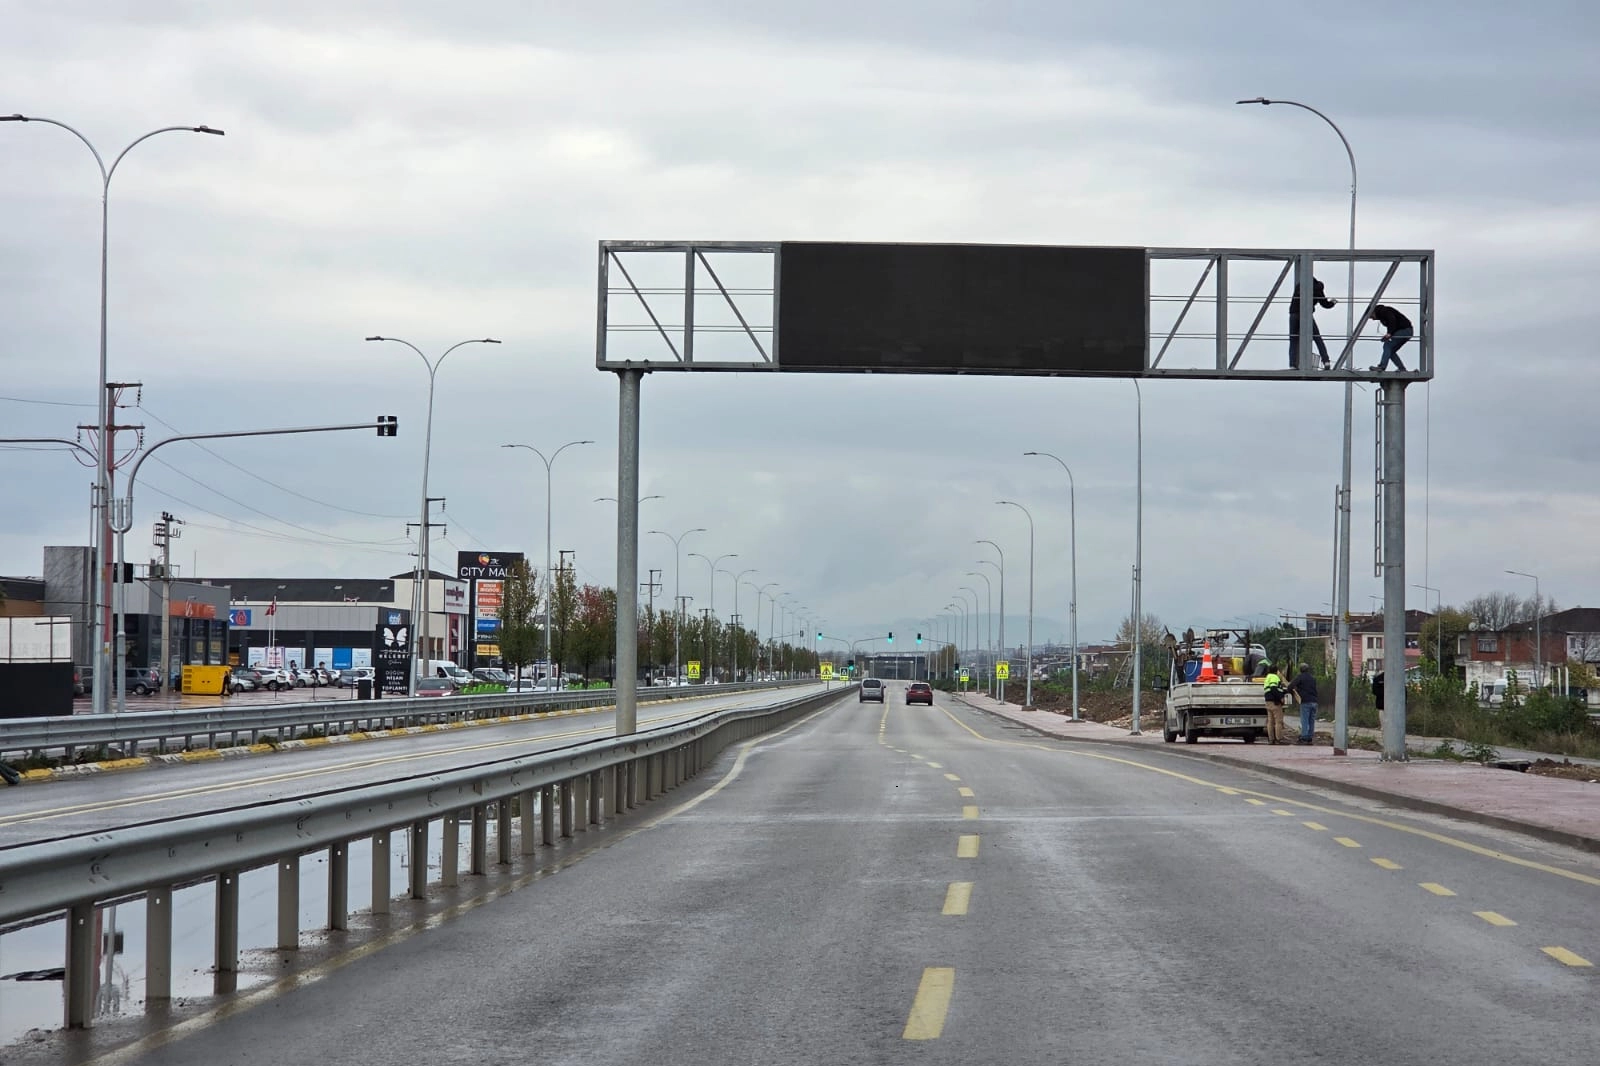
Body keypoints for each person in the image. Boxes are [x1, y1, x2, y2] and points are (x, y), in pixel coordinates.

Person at [1289, 277, 1337, 369]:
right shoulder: (1318, 289)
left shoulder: (1300, 285)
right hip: (1306, 314)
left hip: (1294, 313)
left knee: (1293, 339)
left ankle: (1292, 364)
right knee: (1317, 338)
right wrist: (1333, 302)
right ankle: (1326, 361)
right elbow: (1325, 304)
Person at [1370, 304, 1414, 372]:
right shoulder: (1383, 313)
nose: (1372, 319)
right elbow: (1392, 324)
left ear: (1373, 312)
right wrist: (1388, 335)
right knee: (1390, 351)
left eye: (1371, 316)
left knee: (1387, 346)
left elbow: (1392, 320)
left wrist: (1389, 333)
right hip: (1406, 331)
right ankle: (1402, 369)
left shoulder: (1384, 311)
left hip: (1404, 330)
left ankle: (1382, 367)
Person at [1288, 663, 1319, 745]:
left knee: (1305, 720)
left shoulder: (1300, 677)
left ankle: (1304, 737)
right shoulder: (1312, 678)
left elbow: (1290, 687)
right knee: (1311, 721)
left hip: (1305, 701)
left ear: (1300, 670)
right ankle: (1309, 737)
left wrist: (1293, 693)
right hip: (1314, 701)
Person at [1261, 662, 1286, 744]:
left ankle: (1271, 739)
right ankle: (1279, 739)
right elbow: (1274, 688)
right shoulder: (1274, 677)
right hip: (1275, 702)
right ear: (1276, 671)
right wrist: (1280, 698)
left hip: (1268, 702)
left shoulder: (1267, 677)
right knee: (1278, 721)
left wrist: (1284, 691)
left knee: (1270, 721)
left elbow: (1271, 689)